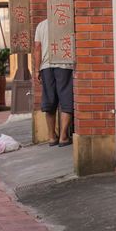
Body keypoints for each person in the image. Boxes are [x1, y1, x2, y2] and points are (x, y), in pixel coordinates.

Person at [34, 18, 74, 147]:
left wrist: (36, 69)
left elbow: (37, 47)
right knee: (66, 99)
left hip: (46, 66)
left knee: (49, 100)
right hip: (64, 65)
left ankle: (51, 137)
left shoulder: (41, 25)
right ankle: (63, 137)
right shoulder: (68, 21)